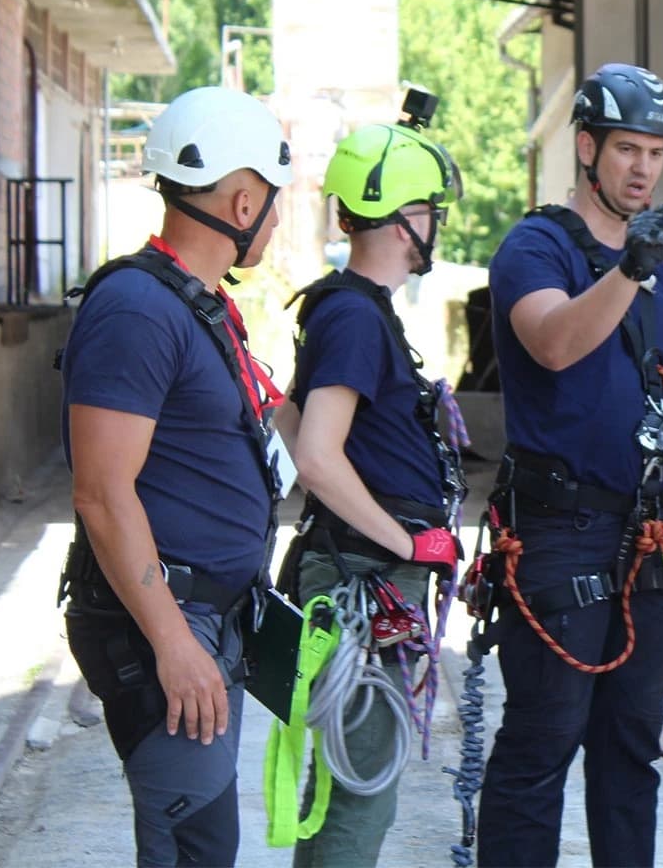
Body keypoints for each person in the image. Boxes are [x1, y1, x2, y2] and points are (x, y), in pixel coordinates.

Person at [57, 85, 291, 866]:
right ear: (242, 198)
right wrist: (174, 643)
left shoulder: (197, 305)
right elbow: (99, 490)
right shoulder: (136, 309)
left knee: (206, 841)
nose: (278, 218)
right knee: (190, 845)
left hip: (203, 615)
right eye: (275, 200)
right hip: (166, 622)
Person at [475, 62, 663, 867]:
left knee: (630, 750)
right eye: (627, 149)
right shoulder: (534, 246)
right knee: (542, 743)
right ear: (585, 147)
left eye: (656, 152)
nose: (643, 167)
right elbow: (556, 343)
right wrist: (629, 268)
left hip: (643, 534)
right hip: (560, 528)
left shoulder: (652, 263)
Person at [277, 106, 466, 867]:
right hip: (363, 580)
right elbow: (317, 457)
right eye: (431, 214)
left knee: (348, 788)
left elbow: (291, 424)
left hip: (361, 581)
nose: (436, 229)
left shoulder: (349, 310)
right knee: (359, 796)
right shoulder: (355, 317)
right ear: (406, 219)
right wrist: (405, 541)